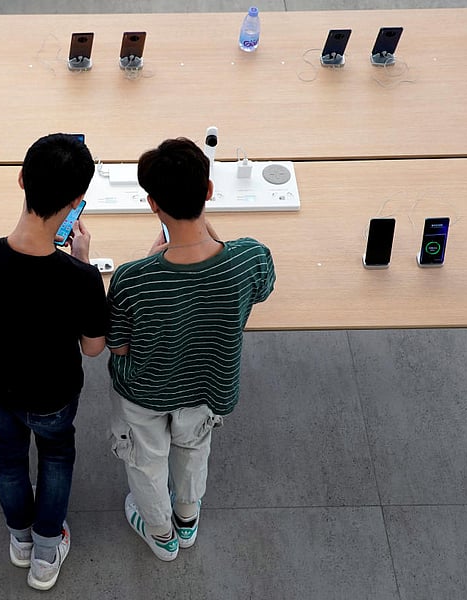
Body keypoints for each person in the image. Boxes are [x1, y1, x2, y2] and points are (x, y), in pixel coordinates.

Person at [0, 133, 108, 590]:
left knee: (8, 457)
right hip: (53, 395)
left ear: (20, 179)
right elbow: (93, 348)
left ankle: (20, 541)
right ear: (77, 202)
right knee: (56, 456)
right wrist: (82, 261)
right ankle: (45, 552)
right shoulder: (80, 278)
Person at [106, 138, 275, 561]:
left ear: (152, 204)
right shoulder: (249, 258)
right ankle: (186, 517)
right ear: (209, 192)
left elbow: (119, 345)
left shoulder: (133, 279)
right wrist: (209, 235)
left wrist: (148, 264)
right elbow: (261, 287)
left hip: (144, 394)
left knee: (146, 464)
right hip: (205, 390)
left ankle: (161, 534)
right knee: (194, 450)